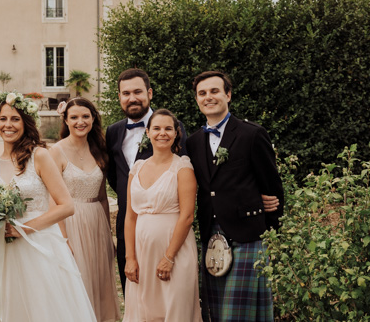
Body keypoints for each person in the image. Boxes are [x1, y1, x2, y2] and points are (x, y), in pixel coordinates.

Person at [0, 92, 97, 322]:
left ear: (26, 123)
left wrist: (25, 228)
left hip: (40, 245)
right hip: (6, 250)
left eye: (15, 119)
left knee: (43, 308)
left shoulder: (40, 156)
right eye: (3, 119)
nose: (8, 125)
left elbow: (66, 206)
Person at [184, 71, 284, 322]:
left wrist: (269, 236)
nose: (209, 97)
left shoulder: (252, 134)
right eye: (202, 93)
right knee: (217, 314)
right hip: (211, 236)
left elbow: (273, 188)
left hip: (249, 235)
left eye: (215, 91)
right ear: (197, 99)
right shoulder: (193, 142)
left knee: (237, 316)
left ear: (228, 95)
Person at [105, 68, 188, 290]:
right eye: (126, 93)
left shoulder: (171, 128)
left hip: (167, 230)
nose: (132, 98)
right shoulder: (113, 132)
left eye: (138, 92)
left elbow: (184, 174)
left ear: (149, 93)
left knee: (168, 294)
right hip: (128, 225)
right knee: (133, 293)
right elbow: (115, 176)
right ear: (119, 97)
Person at [123, 109, 201, 322]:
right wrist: (130, 258)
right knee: (144, 308)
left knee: (175, 308)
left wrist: (169, 257)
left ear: (176, 133)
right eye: (156, 128)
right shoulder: (137, 168)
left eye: (168, 128)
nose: (162, 133)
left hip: (175, 252)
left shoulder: (183, 167)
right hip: (141, 253)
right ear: (147, 132)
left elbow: (187, 217)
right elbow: (130, 217)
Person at [49, 98, 118, 322]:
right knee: (76, 283)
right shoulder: (55, 152)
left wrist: (108, 233)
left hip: (97, 221)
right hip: (69, 223)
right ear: (66, 121)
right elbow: (52, 200)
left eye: (86, 116)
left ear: (93, 118)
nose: (80, 121)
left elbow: (102, 196)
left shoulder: (99, 149)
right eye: (74, 117)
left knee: (98, 282)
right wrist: (63, 240)